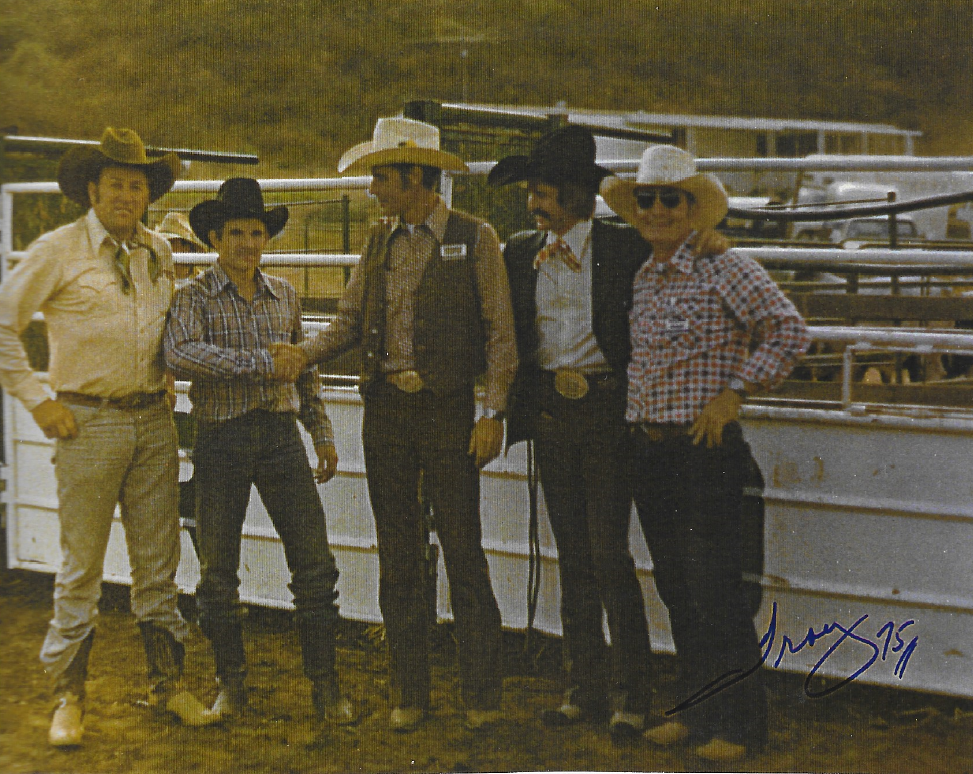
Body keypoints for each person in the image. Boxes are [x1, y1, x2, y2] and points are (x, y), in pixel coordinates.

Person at [488, 126, 728, 743]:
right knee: (572, 553)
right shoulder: (519, 253)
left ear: (576, 197)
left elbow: (685, 251)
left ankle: (632, 693)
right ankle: (583, 687)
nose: (534, 204)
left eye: (543, 193)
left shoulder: (623, 248)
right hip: (551, 414)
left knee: (606, 553)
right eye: (532, 192)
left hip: (609, 413)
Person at [284, 117, 518, 732]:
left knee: (463, 547)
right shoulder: (379, 242)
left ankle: (482, 697)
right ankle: (409, 691)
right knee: (399, 552)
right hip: (387, 411)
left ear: (415, 176)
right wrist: (301, 355)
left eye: (381, 177)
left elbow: (500, 332)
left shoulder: (476, 237)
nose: (373, 189)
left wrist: (491, 411)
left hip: (446, 412)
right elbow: (351, 319)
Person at [0, 127, 216, 747]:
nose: (126, 194)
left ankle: (168, 685)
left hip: (152, 421)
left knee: (159, 564)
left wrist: (168, 381)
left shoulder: (159, 253)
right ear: (92, 189)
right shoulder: (57, 250)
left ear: (149, 194)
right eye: (116, 183)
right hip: (85, 421)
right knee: (81, 570)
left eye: (137, 184)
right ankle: (69, 698)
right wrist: (40, 402)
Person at [601, 145, 811, 763]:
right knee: (677, 587)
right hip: (652, 448)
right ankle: (695, 712)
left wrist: (734, 392)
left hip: (705, 449)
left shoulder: (728, 268)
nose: (658, 209)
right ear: (635, 208)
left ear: (694, 207)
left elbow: (790, 330)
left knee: (716, 589)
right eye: (647, 198)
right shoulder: (643, 273)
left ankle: (741, 726)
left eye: (672, 198)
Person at [163, 178, 356, 725]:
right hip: (220, 438)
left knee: (315, 564)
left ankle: (325, 686)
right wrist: (257, 363)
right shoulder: (193, 297)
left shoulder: (286, 294)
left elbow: (304, 368)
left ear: (265, 237)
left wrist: (319, 431)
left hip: (278, 437)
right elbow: (179, 354)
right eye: (235, 233)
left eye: (255, 232)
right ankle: (232, 685)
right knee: (217, 571)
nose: (247, 243)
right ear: (214, 238)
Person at [155, 211, 207, 284]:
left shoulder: (202, 281)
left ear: (187, 247)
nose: (163, 246)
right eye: (162, 242)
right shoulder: (155, 279)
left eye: (170, 242)